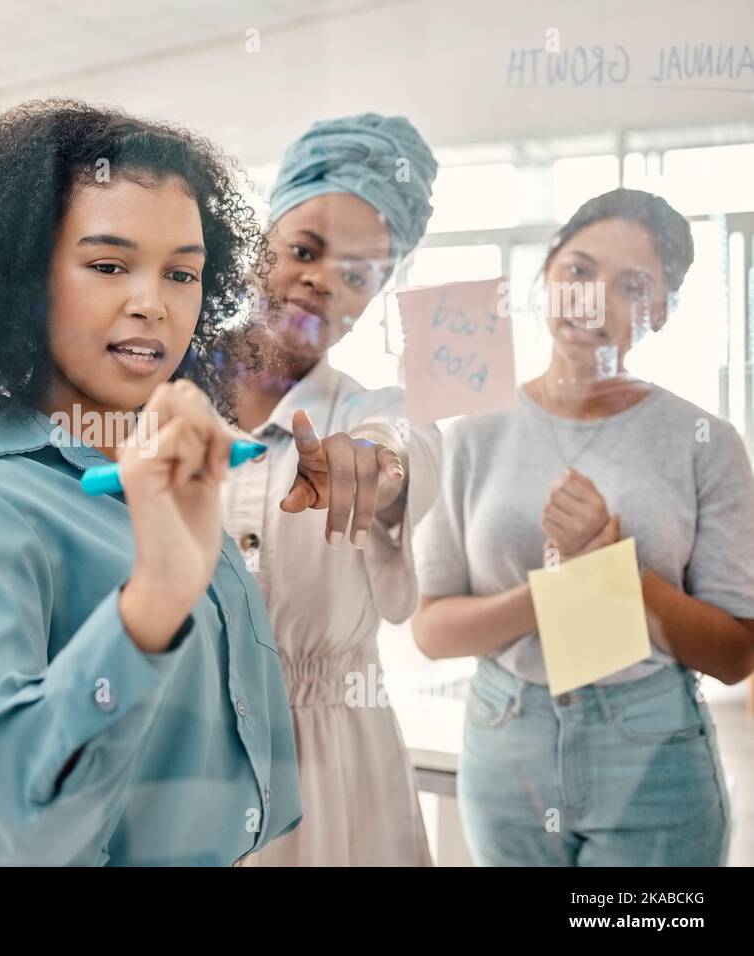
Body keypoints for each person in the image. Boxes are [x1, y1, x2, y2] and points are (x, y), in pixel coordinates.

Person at [0, 100, 302, 865]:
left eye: (182, 273)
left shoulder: (160, 472)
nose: (153, 303)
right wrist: (150, 605)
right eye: (108, 265)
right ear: (20, 281)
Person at [412, 188, 754, 866]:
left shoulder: (705, 441)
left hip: (651, 748)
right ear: (545, 277)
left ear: (658, 311)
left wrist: (620, 565)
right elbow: (431, 629)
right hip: (506, 740)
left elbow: (735, 655)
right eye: (578, 271)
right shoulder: (472, 432)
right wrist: (555, 588)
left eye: (631, 286)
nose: (594, 299)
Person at [226, 114, 443, 865]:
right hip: (183, 748)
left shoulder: (367, 412)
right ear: (261, 243)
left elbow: (407, 446)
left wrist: (379, 469)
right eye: (305, 250)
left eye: (357, 274)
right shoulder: (158, 393)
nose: (321, 281)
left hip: (336, 766)